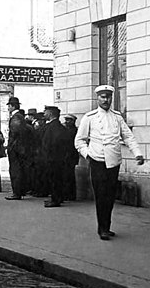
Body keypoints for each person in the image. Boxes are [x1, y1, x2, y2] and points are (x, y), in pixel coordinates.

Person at [75, 85, 144, 240]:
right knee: (101, 196)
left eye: (108, 97)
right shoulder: (90, 117)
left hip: (113, 162)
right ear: (97, 98)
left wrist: (137, 153)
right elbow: (79, 141)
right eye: (102, 97)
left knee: (110, 196)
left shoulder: (117, 117)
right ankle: (102, 228)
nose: (106, 100)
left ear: (111, 98)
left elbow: (128, 136)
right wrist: (89, 155)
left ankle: (107, 226)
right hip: (97, 162)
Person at [41, 105, 70, 208]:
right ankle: (58, 198)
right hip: (59, 158)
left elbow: (50, 143)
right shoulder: (60, 127)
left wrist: (47, 155)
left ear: (50, 114)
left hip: (53, 158)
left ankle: (55, 199)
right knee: (58, 179)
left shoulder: (52, 128)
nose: (44, 114)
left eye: (46, 112)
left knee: (54, 179)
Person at [5, 97, 32, 200]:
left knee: (15, 170)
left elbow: (15, 133)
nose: (8, 108)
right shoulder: (20, 117)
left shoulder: (16, 117)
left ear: (12, 106)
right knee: (20, 170)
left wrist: (11, 147)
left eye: (9, 106)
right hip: (20, 148)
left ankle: (17, 192)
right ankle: (20, 191)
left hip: (16, 149)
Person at [62, 113, 79, 201]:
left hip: (70, 156)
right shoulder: (68, 130)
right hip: (66, 156)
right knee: (66, 176)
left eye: (68, 120)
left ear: (73, 121)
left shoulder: (74, 131)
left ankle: (70, 195)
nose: (66, 122)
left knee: (69, 176)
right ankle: (67, 194)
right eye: (66, 120)